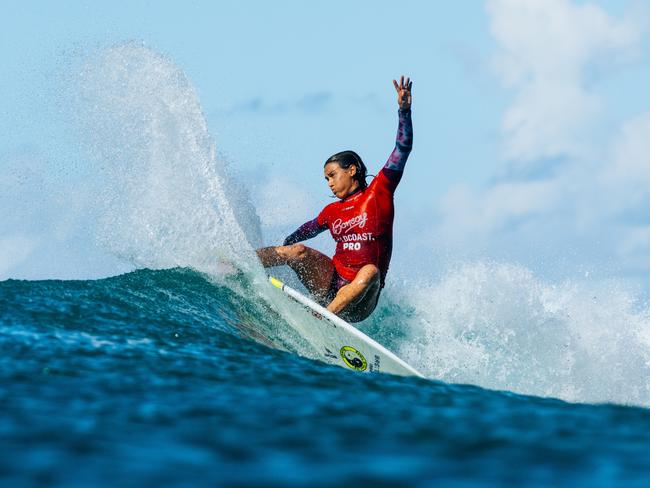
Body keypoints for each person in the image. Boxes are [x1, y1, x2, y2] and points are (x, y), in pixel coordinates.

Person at [256, 76, 413, 323]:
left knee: (370, 270)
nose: (329, 182)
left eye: (332, 175)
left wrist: (404, 111)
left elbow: (402, 150)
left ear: (352, 169)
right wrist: (284, 250)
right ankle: (244, 263)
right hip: (330, 283)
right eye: (326, 179)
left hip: (360, 300)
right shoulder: (332, 211)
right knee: (297, 251)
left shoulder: (379, 193)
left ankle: (321, 318)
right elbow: (306, 231)